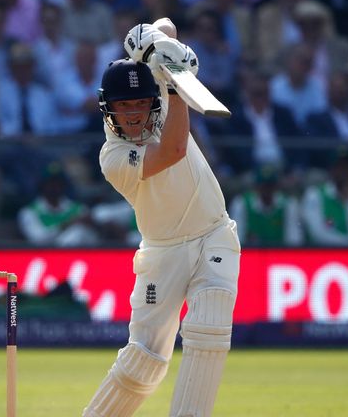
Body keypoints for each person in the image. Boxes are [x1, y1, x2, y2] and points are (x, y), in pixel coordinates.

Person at [83, 21, 241, 417]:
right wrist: (174, 84)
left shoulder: (162, 90)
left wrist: (155, 42)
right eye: (124, 106)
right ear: (108, 109)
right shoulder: (113, 157)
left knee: (209, 328)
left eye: (140, 103)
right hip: (163, 253)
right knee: (144, 362)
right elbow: (172, 151)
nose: (134, 114)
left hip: (213, 234)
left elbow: (165, 25)